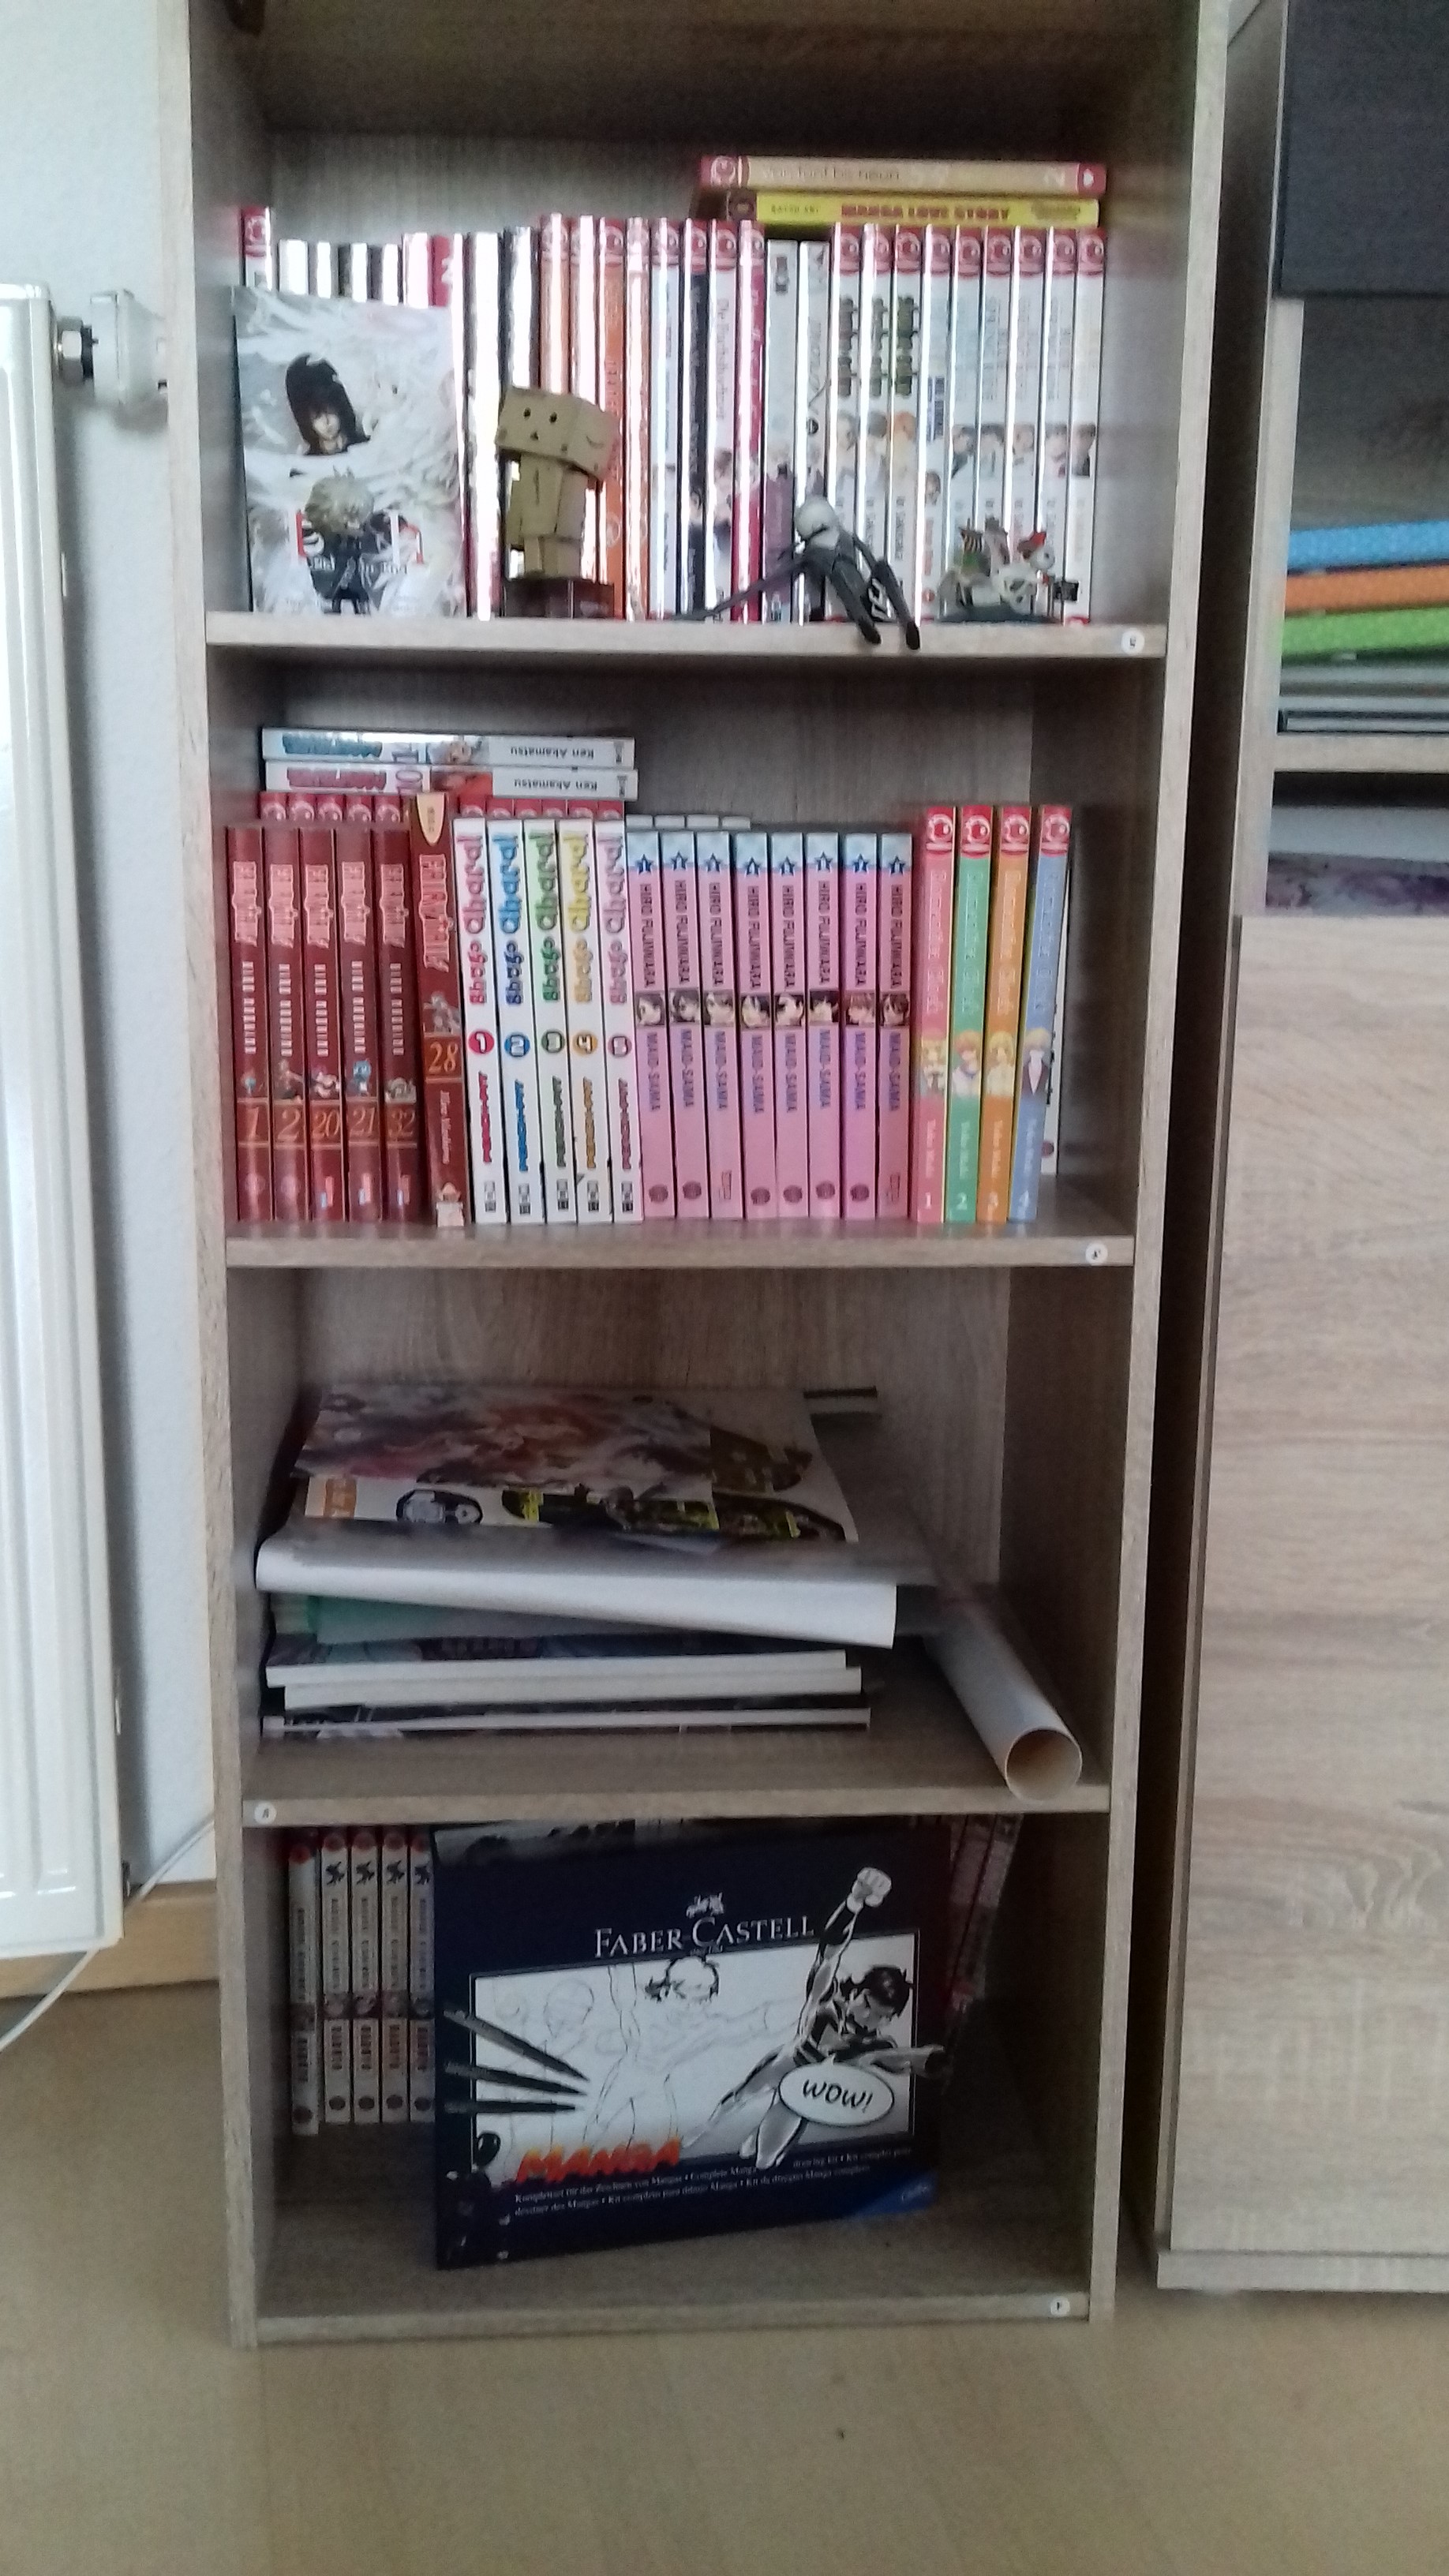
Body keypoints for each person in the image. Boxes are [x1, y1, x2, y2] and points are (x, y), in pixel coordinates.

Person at [689, 1866, 944, 2171]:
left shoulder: (875, 2044)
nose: (867, 2017)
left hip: (804, 2090)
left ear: (889, 2019)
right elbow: (829, 1954)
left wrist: (928, 2059)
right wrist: (854, 1902)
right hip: (786, 2061)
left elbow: (903, 2061)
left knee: (764, 2159)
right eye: (866, 2004)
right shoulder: (826, 2000)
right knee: (737, 2099)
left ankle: (756, 2146)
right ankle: (702, 2133)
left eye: (880, 2016)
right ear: (855, 1992)